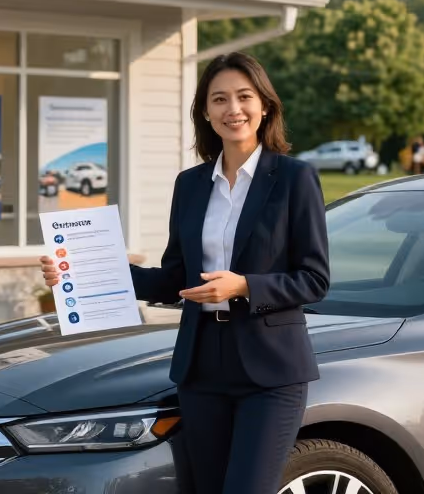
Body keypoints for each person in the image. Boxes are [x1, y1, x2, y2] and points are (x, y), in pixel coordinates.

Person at [40, 52, 330, 494]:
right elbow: (174, 277)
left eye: (243, 96)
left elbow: (314, 279)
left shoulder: (294, 179)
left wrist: (244, 286)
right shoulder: (190, 185)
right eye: (219, 100)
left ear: (265, 105)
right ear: (206, 113)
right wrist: (81, 271)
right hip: (201, 369)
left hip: (271, 373)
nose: (233, 109)